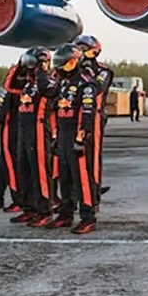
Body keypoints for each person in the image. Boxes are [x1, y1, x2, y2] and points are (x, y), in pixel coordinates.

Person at [51, 43, 101, 234]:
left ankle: (88, 217)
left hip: (77, 134)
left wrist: (81, 138)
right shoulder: (64, 82)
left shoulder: (86, 83)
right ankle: (66, 213)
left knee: (81, 178)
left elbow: (87, 113)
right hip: (63, 133)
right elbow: (57, 109)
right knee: (65, 176)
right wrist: (56, 136)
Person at [0, 50, 34, 213]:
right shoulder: (16, 76)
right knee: (6, 162)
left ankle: (20, 199)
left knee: (17, 164)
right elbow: (6, 96)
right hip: (11, 125)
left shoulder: (40, 79)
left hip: (28, 125)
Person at [11, 45, 58, 227]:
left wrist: (42, 69)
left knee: (39, 172)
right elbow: (10, 85)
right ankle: (29, 209)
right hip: (24, 130)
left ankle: (45, 210)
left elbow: (47, 89)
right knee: (24, 171)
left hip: (39, 130)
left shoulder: (49, 82)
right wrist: (19, 66)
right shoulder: (27, 84)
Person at [75, 34, 114, 200]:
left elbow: (97, 88)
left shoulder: (103, 71)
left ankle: (94, 192)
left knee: (92, 156)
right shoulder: (73, 70)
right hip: (73, 117)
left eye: (82, 49)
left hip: (94, 116)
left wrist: (86, 72)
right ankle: (73, 193)